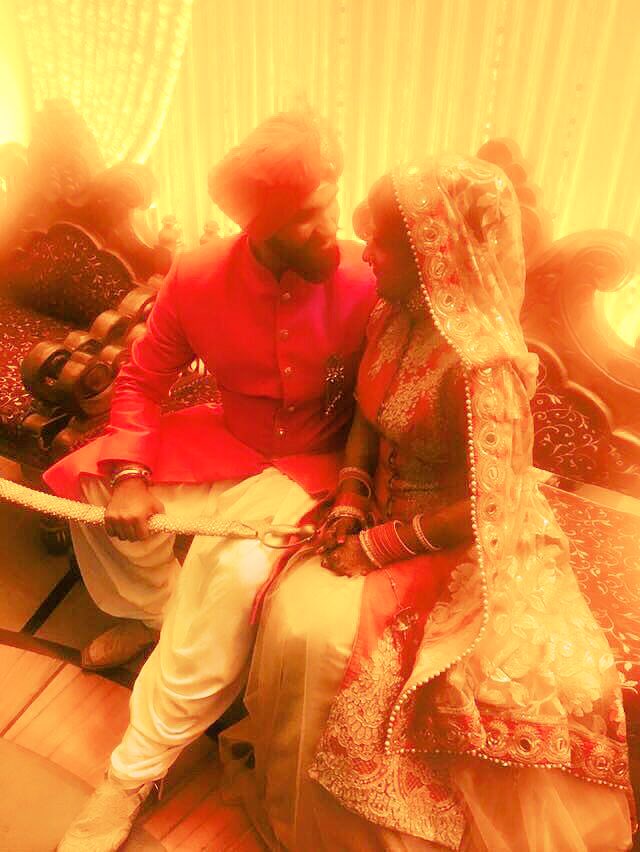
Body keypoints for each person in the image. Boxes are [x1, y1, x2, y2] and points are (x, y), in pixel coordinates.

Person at [228, 156, 634, 850]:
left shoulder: (483, 366)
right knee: (283, 605)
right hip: (380, 516)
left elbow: (487, 506)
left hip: (462, 542)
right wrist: (352, 496)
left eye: (383, 244)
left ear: (432, 252)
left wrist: (378, 546)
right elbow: (367, 416)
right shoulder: (393, 315)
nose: (366, 255)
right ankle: (290, 792)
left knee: (316, 633)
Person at [53, 111, 376, 852]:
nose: (329, 227)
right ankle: (158, 620)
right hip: (227, 437)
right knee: (88, 485)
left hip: (316, 464)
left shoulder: (368, 277)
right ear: (256, 228)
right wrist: (132, 474)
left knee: (231, 575)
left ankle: (133, 773)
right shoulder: (197, 275)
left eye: (330, 203)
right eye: (305, 218)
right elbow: (141, 380)